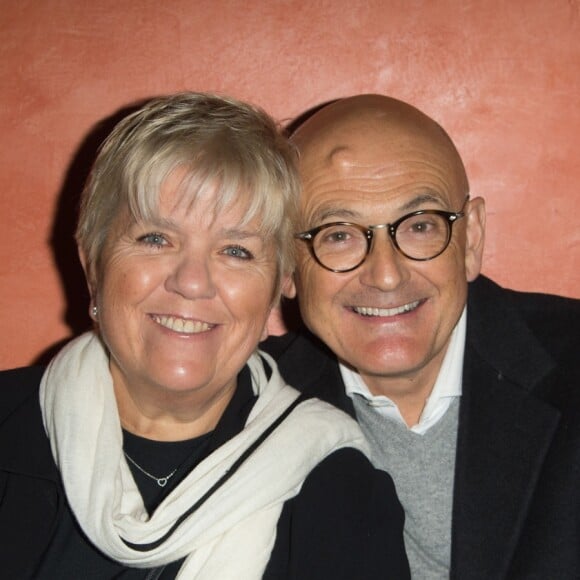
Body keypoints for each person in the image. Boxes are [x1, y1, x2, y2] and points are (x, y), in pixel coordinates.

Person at [0, 93, 410, 579]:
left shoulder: (341, 492)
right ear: (93, 265)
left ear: (279, 284)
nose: (192, 282)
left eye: (236, 251)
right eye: (156, 239)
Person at [262, 94, 580, 579]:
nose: (386, 275)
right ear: (287, 264)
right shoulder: (250, 404)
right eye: (339, 234)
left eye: (420, 226)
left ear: (470, 239)